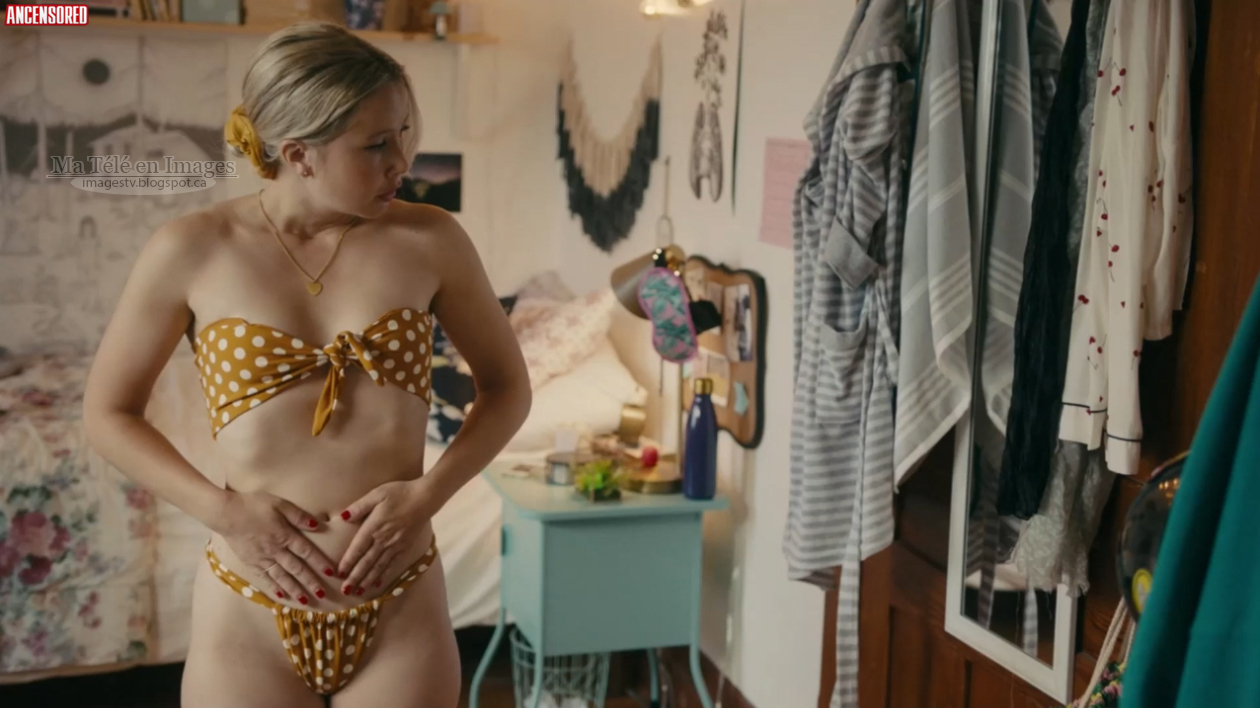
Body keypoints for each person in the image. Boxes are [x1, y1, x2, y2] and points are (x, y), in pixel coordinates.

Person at [81, 22, 531, 708]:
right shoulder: (192, 249)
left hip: (401, 605)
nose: (401, 162)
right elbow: (107, 415)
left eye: (403, 134)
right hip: (247, 611)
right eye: (376, 145)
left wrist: (427, 496)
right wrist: (225, 513)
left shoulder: (432, 239)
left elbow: (506, 389)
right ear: (299, 154)